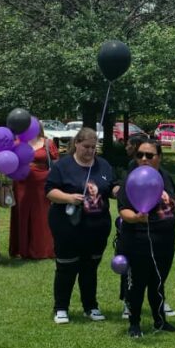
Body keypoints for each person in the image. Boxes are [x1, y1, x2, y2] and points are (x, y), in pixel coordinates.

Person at [46, 128, 117, 324]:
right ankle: (61, 307)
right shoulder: (63, 166)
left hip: (97, 226)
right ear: (76, 144)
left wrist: (120, 190)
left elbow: (111, 186)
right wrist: (68, 197)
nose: (90, 151)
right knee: (66, 267)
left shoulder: (103, 165)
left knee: (90, 267)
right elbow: (50, 191)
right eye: (86, 147)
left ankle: (90, 306)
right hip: (68, 225)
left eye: (93, 147)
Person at [118, 139, 175, 337]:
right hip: (138, 241)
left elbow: (173, 202)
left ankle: (160, 320)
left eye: (149, 155)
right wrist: (136, 217)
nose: (144, 159)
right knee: (137, 285)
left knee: (158, 283)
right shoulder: (130, 179)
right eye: (139, 155)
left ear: (159, 158)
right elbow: (123, 210)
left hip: (165, 241)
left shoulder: (166, 177)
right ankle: (134, 324)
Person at [10, 122, 59, 259]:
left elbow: (55, 164)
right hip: (21, 183)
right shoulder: (18, 142)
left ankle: (43, 250)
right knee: (22, 213)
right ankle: (22, 249)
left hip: (42, 183)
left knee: (42, 215)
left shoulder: (48, 143)